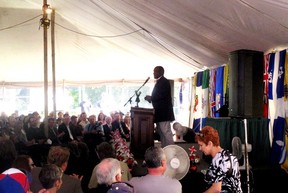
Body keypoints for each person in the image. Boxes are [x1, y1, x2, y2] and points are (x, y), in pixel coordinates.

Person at [195, 126, 242, 193]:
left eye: (201, 145)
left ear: (210, 144)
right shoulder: (230, 156)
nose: (200, 148)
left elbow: (216, 189)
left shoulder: (218, 161)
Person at [144, 66, 175, 147]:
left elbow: (161, 96)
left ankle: (172, 150)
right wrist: (151, 98)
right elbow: (158, 96)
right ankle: (165, 150)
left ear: (160, 72)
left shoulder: (164, 82)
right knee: (162, 134)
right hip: (159, 112)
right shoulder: (160, 81)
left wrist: (151, 97)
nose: (153, 73)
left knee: (166, 132)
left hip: (164, 113)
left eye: (155, 71)